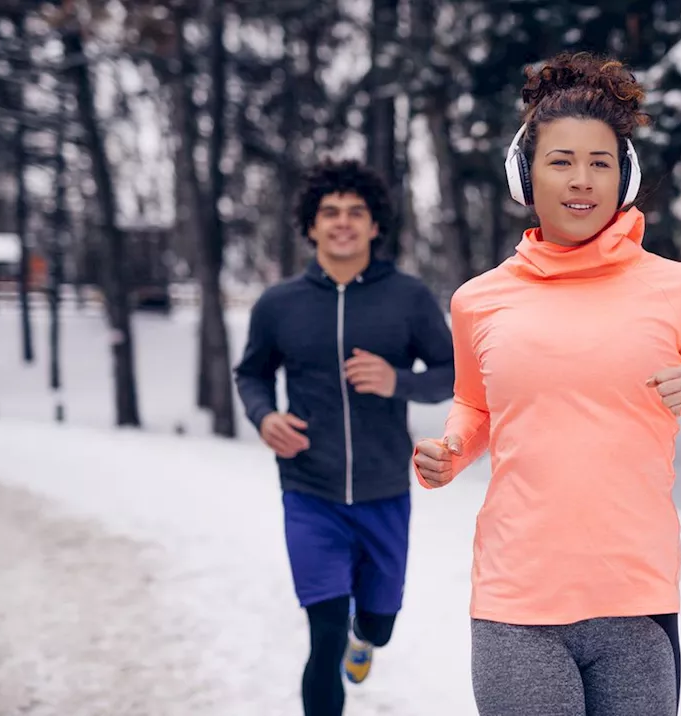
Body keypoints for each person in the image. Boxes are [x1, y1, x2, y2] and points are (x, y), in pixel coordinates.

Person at [412, 52, 681, 716]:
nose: (581, 180)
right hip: (516, 604)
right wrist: (452, 451)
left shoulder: (680, 290)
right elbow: (475, 406)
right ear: (526, 174)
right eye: (561, 161)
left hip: (638, 607)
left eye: (600, 162)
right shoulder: (479, 301)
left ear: (624, 177)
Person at [233, 159, 455, 716]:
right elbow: (252, 373)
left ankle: (369, 637)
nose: (342, 223)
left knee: (377, 625)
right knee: (324, 634)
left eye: (356, 213)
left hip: (384, 492)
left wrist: (395, 380)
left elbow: (453, 374)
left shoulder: (406, 297)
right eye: (329, 213)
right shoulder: (278, 304)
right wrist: (264, 417)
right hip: (310, 491)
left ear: (374, 225)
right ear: (310, 225)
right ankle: (343, 642)